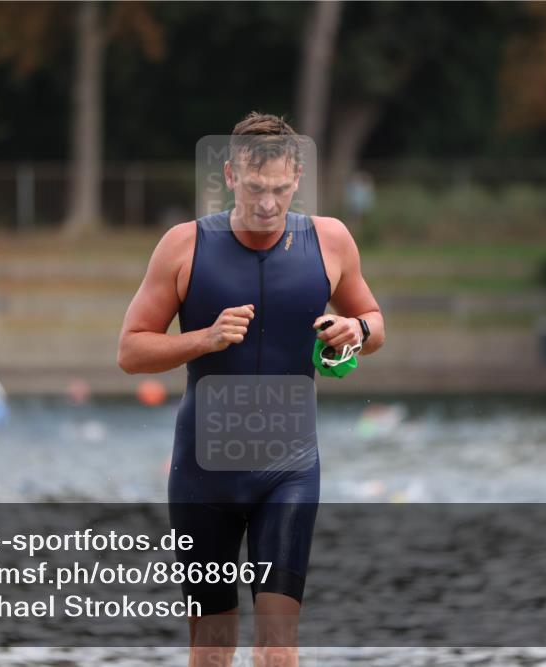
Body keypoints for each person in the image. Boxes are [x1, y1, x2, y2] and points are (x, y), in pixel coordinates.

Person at [118, 112, 384, 667]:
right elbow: (131, 351)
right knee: (212, 649)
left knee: (276, 647)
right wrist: (205, 339)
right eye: (257, 188)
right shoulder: (184, 245)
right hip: (203, 473)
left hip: (289, 467)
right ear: (231, 176)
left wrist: (352, 330)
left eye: (282, 190)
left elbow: (374, 323)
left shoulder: (330, 240)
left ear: (298, 177)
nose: (268, 203)